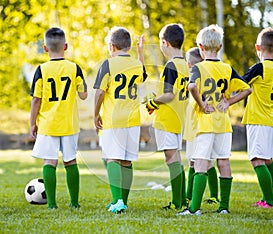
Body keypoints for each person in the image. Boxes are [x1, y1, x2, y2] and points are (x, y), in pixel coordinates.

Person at [177, 24, 252, 216]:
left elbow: (192, 86)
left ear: (200, 47)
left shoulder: (198, 68)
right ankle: (224, 207)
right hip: (223, 124)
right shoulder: (227, 68)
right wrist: (229, 102)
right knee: (224, 162)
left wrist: (202, 104)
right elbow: (247, 89)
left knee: (201, 162)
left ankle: (194, 209)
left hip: (205, 122)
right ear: (219, 47)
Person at [30, 27, 88, 209]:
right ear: (66, 46)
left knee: (50, 161)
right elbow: (84, 95)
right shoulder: (74, 68)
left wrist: (33, 123)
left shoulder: (41, 70)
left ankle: (52, 205)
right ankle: (74, 203)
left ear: (45, 48)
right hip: (69, 124)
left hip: (48, 124)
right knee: (70, 161)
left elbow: (36, 100)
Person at [93, 26, 147, 213]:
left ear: (112, 46)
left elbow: (100, 92)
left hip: (113, 119)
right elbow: (143, 75)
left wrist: (95, 113)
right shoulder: (137, 65)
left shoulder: (108, 64)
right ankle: (122, 200)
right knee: (127, 161)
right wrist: (141, 53)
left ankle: (117, 201)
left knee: (112, 159)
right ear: (129, 47)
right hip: (132, 120)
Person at [145, 23, 189, 210]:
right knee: (176, 159)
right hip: (178, 118)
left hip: (167, 119)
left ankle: (177, 202)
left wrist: (152, 103)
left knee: (172, 160)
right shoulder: (185, 65)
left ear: (165, 43)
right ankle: (182, 199)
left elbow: (169, 95)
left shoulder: (171, 65)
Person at [241, 27, 273, 208]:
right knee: (267, 160)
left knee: (257, 160)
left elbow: (241, 82)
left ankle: (270, 201)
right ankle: (266, 198)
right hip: (270, 119)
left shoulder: (260, 67)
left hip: (257, 119)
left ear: (258, 47)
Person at [184, 47, 219, 205]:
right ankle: (209, 195)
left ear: (190, 65)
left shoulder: (196, 81)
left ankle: (191, 195)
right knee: (205, 161)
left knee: (197, 161)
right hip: (203, 126)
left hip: (198, 127)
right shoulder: (207, 77)